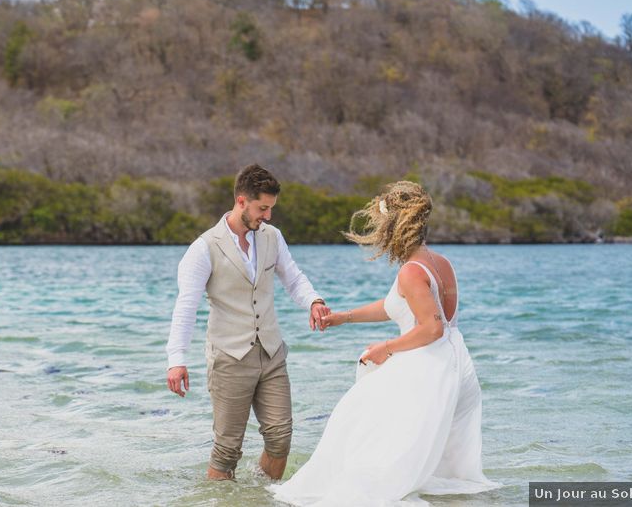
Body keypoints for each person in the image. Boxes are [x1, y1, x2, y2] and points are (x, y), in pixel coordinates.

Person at [271, 181, 500, 506]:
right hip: (456, 367)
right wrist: (342, 317)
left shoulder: (411, 271)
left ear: (394, 225)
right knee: (437, 464)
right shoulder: (440, 262)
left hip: (427, 368)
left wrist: (387, 348)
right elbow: (399, 306)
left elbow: (432, 327)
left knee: (353, 422)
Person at [165, 164, 331, 480]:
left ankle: (260, 496)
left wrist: (314, 301)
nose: (267, 216)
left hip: (271, 354)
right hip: (229, 357)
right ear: (242, 201)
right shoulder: (204, 248)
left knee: (280, 439)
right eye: (262, 208)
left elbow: (293, 278)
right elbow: (186, 307)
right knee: (227, 450)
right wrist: (176, 361)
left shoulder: (273, 237)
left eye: (270, 209)